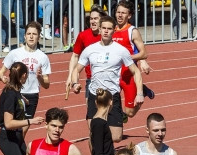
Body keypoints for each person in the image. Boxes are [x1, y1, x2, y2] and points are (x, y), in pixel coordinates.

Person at [70, 15, 144, 143]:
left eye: (109, 28)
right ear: (99, 29)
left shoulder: (121, 50)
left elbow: (136, 72)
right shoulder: (90, 49)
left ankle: (105, 148)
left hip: (112, 95)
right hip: (95, 95)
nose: (105, 31)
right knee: (94, 133)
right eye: (103, 28)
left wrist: (140, 93)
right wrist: (75, 83)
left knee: (116, 137)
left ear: (114, 30)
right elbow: (76, 69)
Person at [0, 21, 51, 131]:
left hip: (32, 96)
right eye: (28, 34)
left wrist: (40, 77)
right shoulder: (15, 53)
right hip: (16, 94)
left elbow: (47, 84)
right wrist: (2, 78)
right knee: (12, 127)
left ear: (39, 37)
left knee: (23, 130)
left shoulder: (43, 57)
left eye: (34, 34)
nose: (31, 37)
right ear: (24, 36)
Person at [113, 1, 155, 121]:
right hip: (113, 75)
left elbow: (144, 53)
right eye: (118, 12)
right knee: (106, 103)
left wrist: (128, 58)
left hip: (128, 75)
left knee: (130, 113)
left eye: (123, 13)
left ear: (129, 16)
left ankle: (144, 91)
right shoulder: (111, 29)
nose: (120, 15)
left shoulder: (133, 31)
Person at [66, 4, 107, 100]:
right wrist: (70, 77)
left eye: (96, 19)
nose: (92, 21)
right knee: (90, 112)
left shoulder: (108, 34)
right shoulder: (83, 35)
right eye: (91, 19)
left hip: (107, 79)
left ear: (102, 20)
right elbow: (75, 56)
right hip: (91, 79)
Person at [90, 88, 114, 155]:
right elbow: (99, 153)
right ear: (110, 102)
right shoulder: (98, 123)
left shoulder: (100, 121)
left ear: (96, 102)